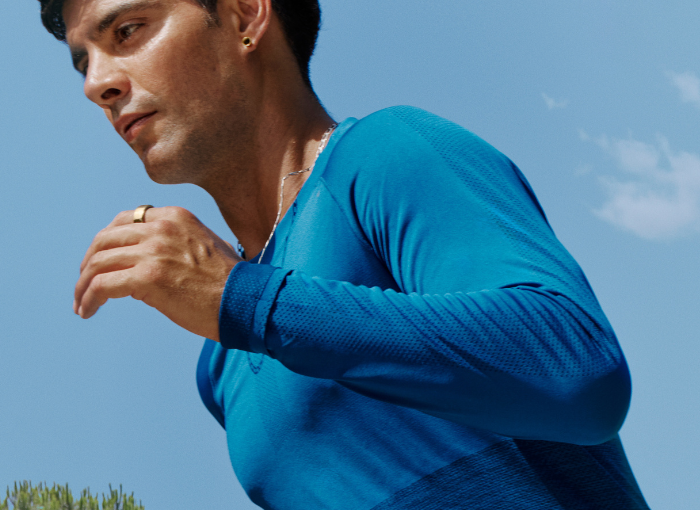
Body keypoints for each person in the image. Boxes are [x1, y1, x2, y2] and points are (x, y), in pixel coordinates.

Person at [40, 0, 650, 508]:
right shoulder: (220, 368)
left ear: (246, 15)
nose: (99, 85)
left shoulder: (387, 155)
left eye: (127, 31)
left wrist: (242, 299)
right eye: (83, 63)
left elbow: (580, 373)